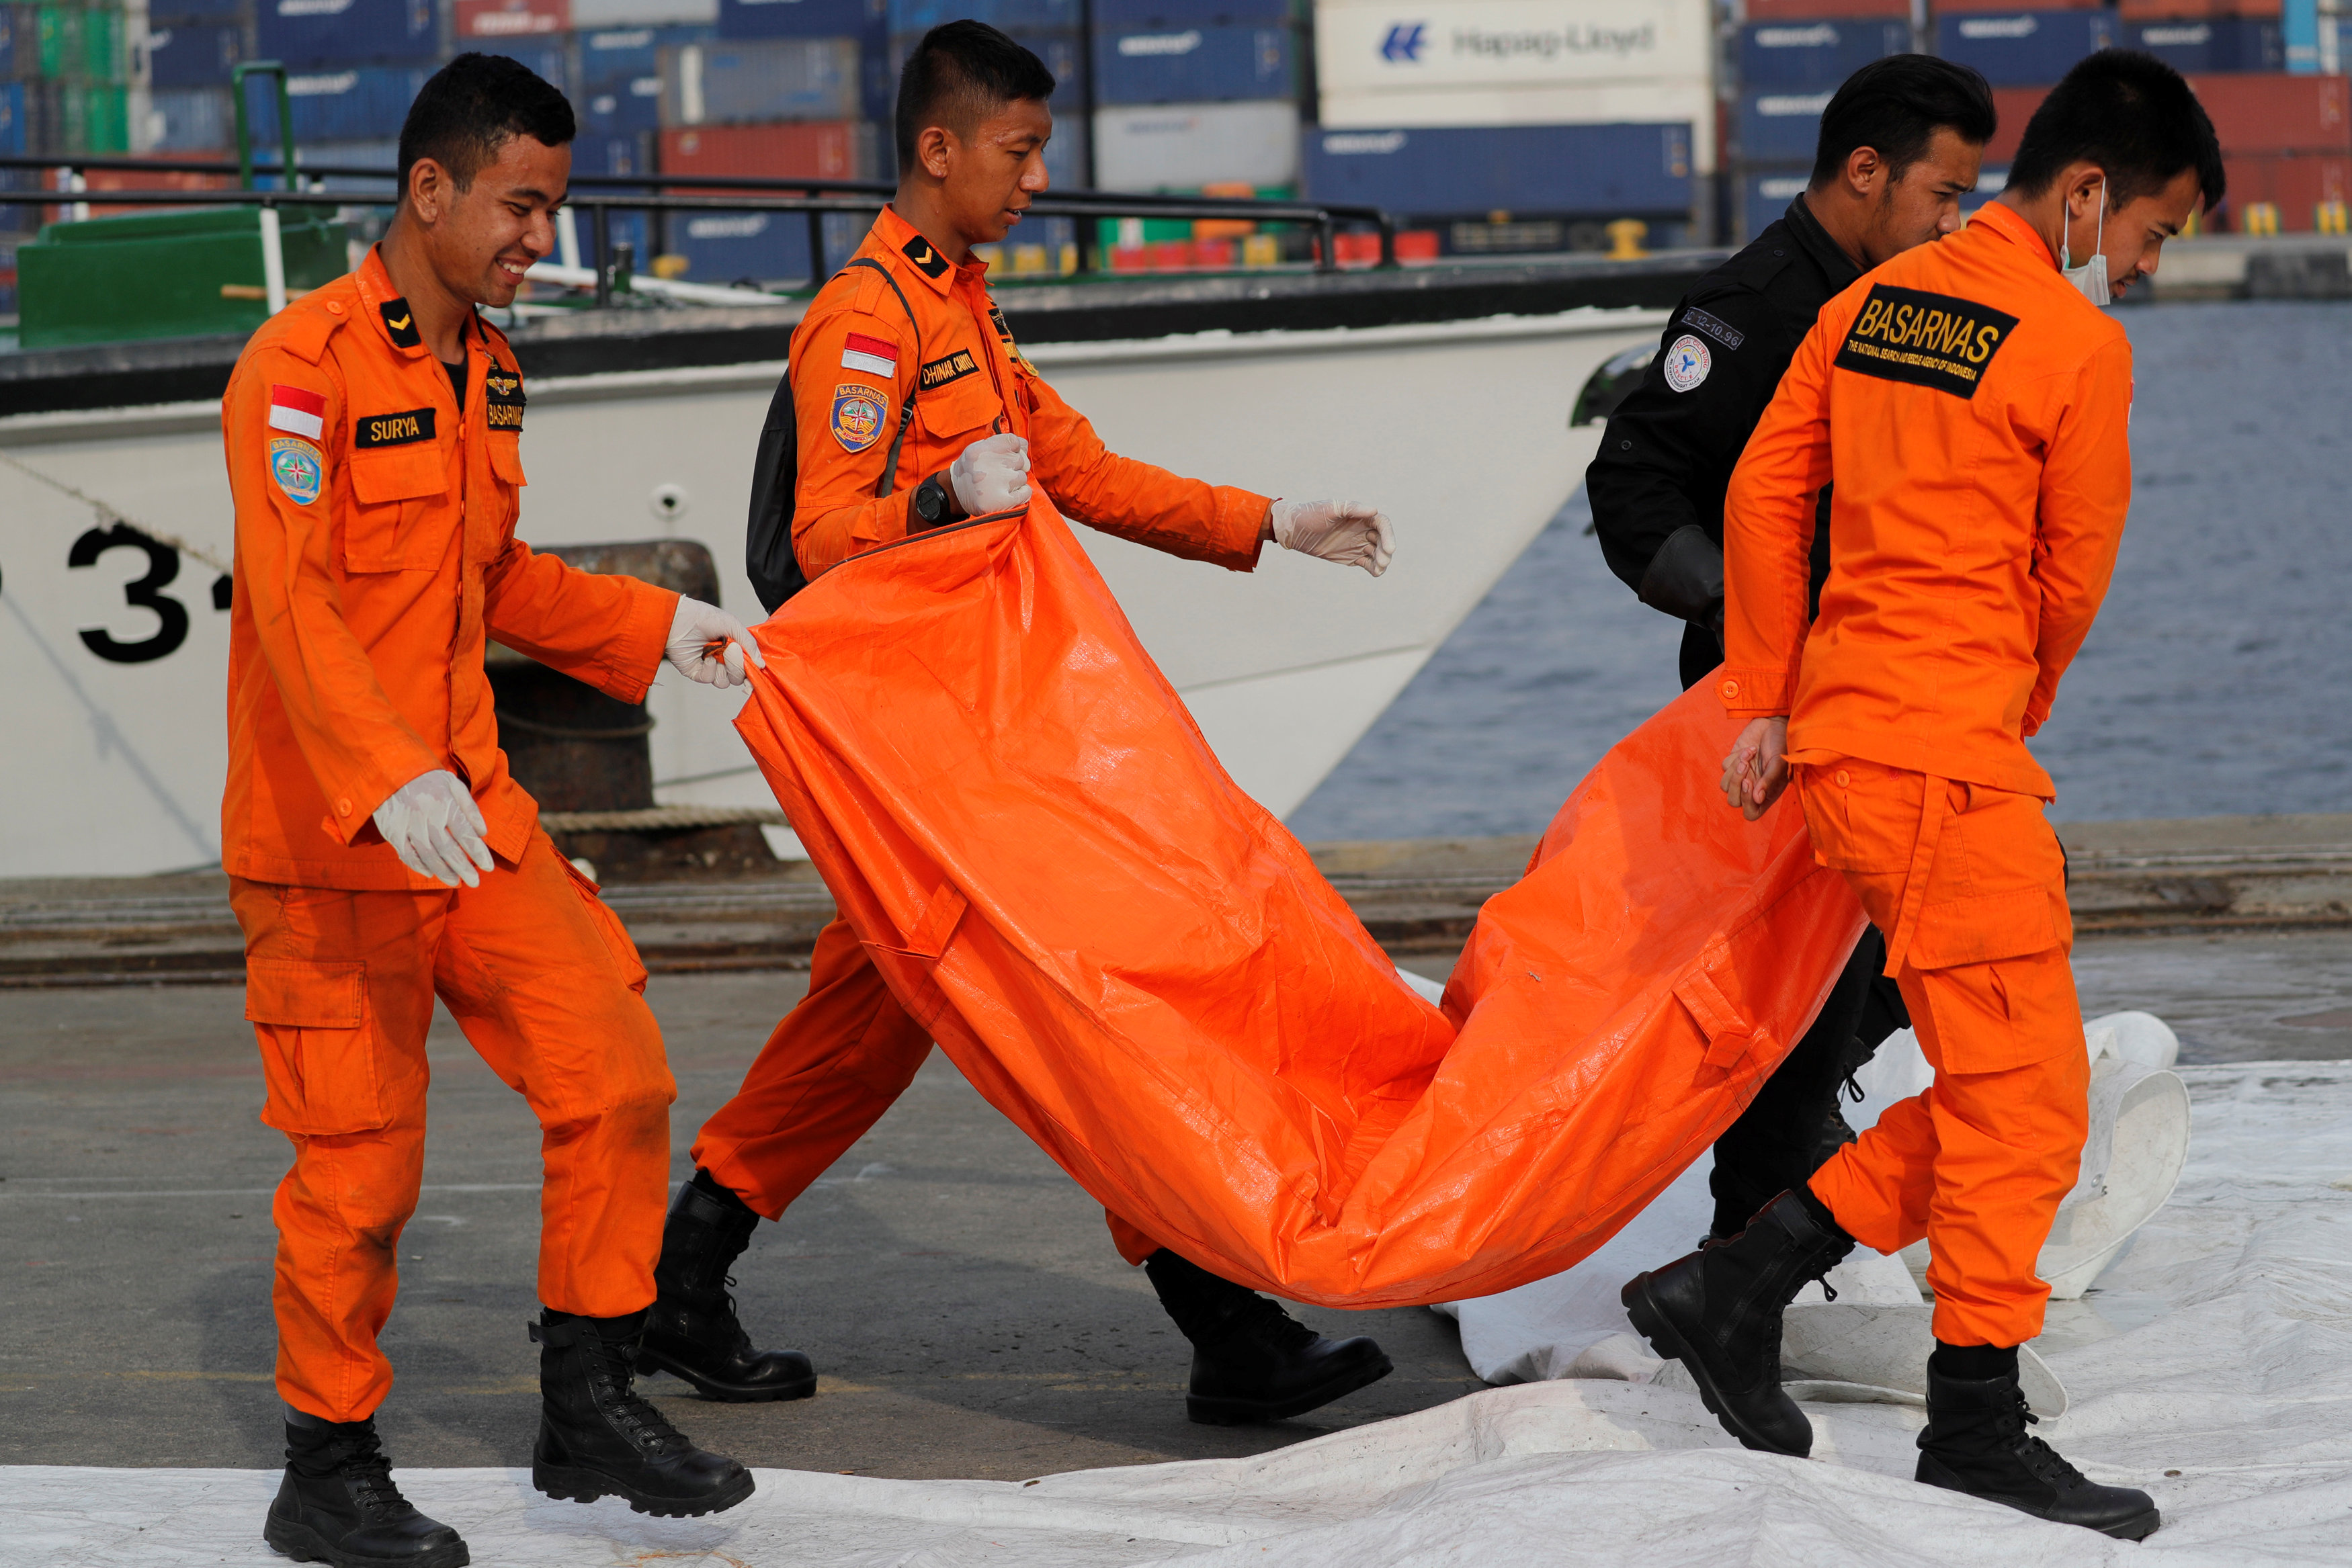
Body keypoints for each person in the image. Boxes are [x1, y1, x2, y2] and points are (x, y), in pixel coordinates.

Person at [644, 20, 1402, 1429]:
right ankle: (1224, 1326)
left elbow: (1084, 473)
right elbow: (818, 548)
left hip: (970, 752)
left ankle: (680, 1281)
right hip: (921, 759)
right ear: (939, 149)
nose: (1038, 176)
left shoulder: (964, 312)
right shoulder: (866, 322)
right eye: (1020, 148)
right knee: (1080, 1004)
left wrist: (1269, 522)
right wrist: (934, 507)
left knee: (870, 1022)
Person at [1620, 49, 2222, 1540]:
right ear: (2085, 196)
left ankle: (1732, 1285)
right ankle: (1969, 1424)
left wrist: (1768, 690)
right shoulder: (2074, 349)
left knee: (2006, 1093)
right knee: (2029, 1112)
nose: (2141, 270)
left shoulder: (1868, 305)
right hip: (1949, 767)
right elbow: (2070, 579)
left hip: (1848, 749)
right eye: (2149, 235)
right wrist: (2009, 711)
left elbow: (1761, 489)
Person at [221, 54, 767, 1568]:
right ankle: (324, 1470)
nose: (543, 237)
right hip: (336, 839)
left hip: (471, 817)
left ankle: (586, 1411)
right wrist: (379, 774)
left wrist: (659, 630)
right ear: (432, 191)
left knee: (619, 1074)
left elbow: (496, 578)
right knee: (360, 1171)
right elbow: (295, 601)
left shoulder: (489, 367)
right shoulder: (300, 367)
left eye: (554, 208)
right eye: (523, 207)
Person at [1587, 54, 1995, 1245]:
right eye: (1944, 195)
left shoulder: (1901, 306)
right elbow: (1633, 487)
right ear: (1865, 174)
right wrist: (1759, 629)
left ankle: (1785, 1147)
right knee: (1796, 1004)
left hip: (1886, 700)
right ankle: (1742, 1262)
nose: (1955, 221)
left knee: (1943, 936)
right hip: (1768, 712)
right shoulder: (1755, 306)